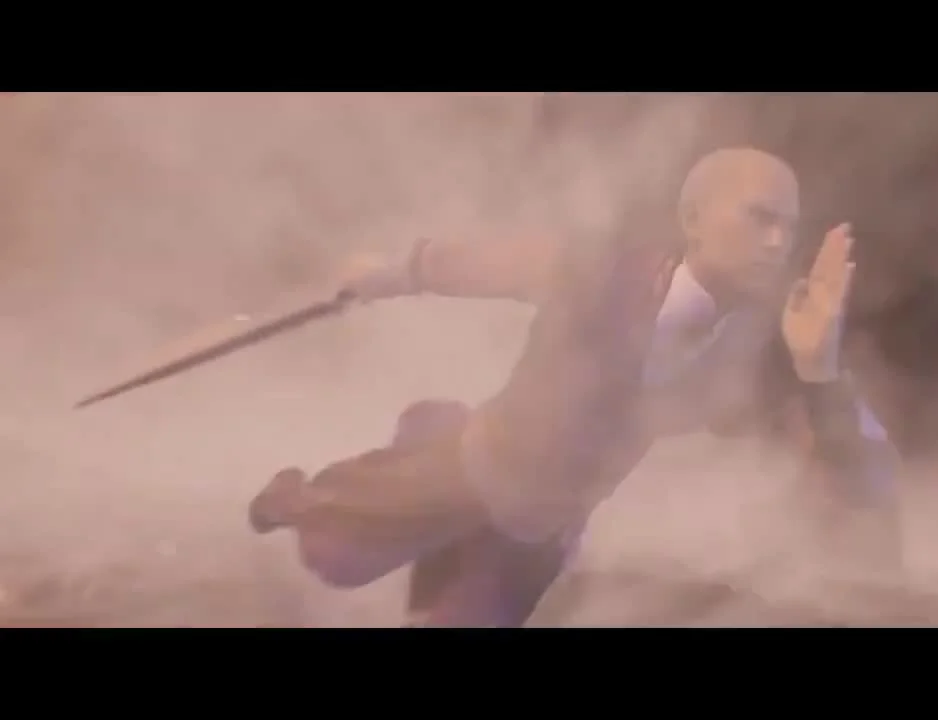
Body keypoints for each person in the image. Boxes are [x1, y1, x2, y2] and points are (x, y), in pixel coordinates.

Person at [250, 147, 898, 626]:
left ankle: (439, 494)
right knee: (333, 556)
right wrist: (392, 273)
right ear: (694, 218)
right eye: (759, 218)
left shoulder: (756, 348)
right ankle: (341, 474)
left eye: (788, 226)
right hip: (469, 468)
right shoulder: (607, 271)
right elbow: (497, 265)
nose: (777, 242)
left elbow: (860, 484)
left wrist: (821, 371)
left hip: (539, 532)